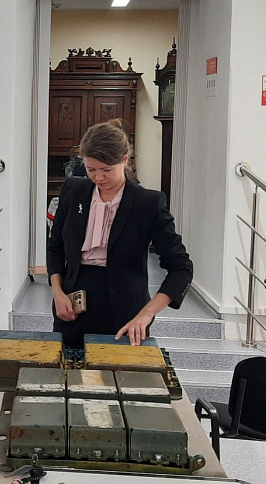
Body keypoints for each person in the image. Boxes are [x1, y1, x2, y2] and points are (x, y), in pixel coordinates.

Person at [47, 120, 192, 349]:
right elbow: (55, 247)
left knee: (117, 367)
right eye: (91, 169)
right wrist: (57, 292)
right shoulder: (73, 191)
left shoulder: (148, 203)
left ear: (124, 160)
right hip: (72, 304)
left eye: (106, 170)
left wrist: (146, 314)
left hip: (126, 311)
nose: (98, 177)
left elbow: (181, 268)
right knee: (69, 364)